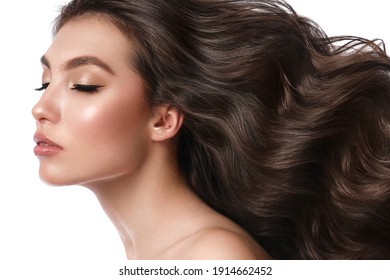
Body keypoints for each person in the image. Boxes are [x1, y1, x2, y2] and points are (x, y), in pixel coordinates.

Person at [32, 0, 390, 259]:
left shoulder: (213, 257)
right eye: (45, 83)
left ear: (163, 120)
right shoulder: (159, 258)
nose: (40, 108)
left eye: (83, 85)